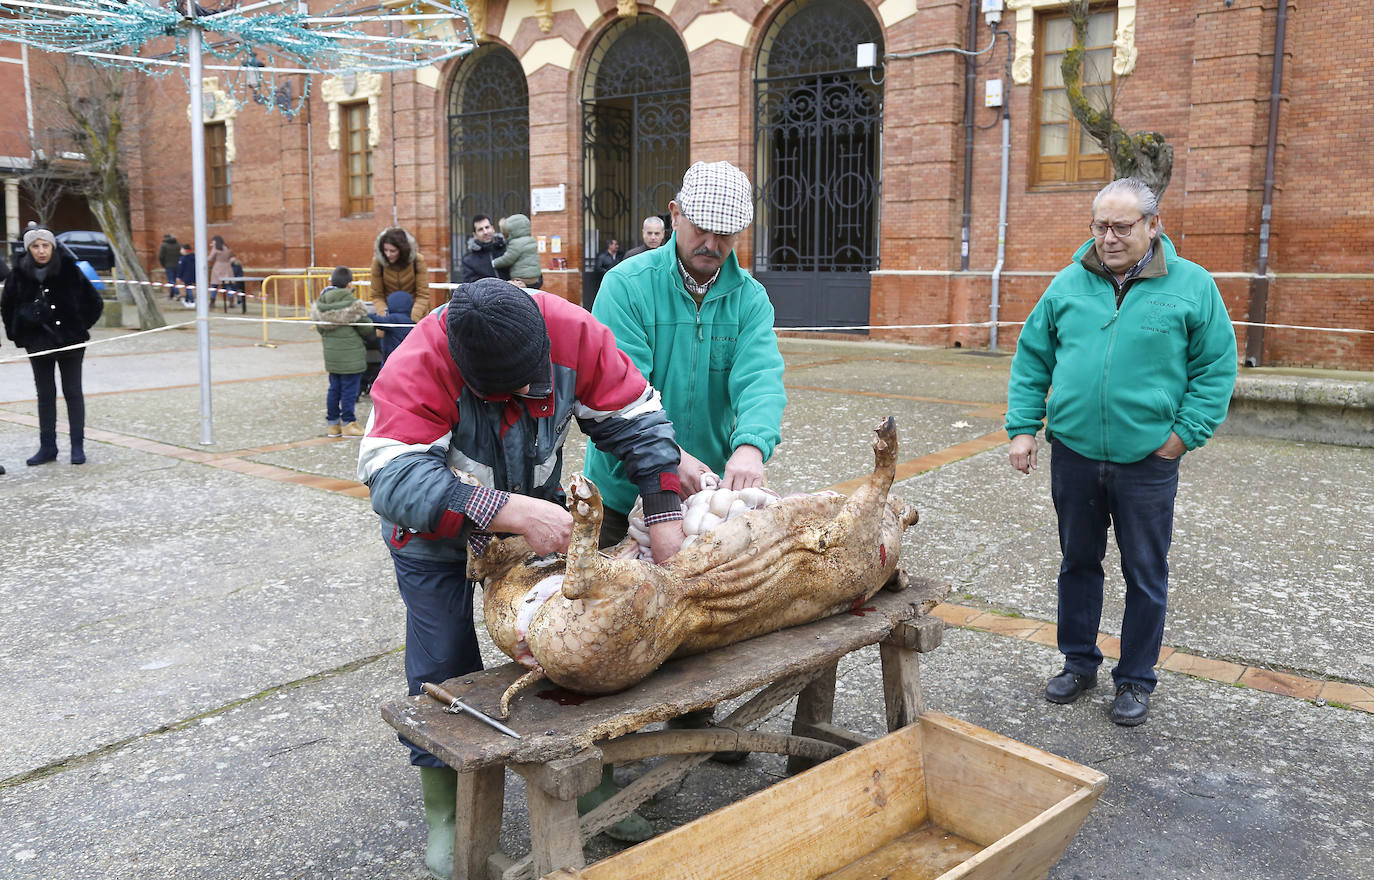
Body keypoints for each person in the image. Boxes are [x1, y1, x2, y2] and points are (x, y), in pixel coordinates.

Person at [357, 278, 686, 878]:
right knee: (444, 665)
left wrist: (664, 518)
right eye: (499, 392)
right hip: (434, 539)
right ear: (462, 366)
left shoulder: (570, 332)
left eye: (528, 386)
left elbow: (637, 418)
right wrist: (507, 510)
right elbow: (391, 478)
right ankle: (450, 812)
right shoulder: (420, 358)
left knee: (575, 644)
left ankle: (590, 783)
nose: (520, 396)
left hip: (530, 523)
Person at [584, 159, 787, 822]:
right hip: (621, 486)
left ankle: (694, 725)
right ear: (674, 213)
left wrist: (752, 445)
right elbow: (624, 388)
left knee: (703, 607)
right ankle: (602, 764)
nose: (713, 246)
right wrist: (679, 457)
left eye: (728, 235)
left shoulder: (748, 297)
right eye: (703, 229)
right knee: (609, 622)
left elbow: (761, 377)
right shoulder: (628, 286)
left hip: (705, 494)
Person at [1005, 176, 1238, 728]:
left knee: (1144, 571)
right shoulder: (1067, 284)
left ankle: (1135, 678)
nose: (1108, 238)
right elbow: (1032, 358)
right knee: (1078, 563)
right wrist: (1022, 428)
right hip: (1076, 454)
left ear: (1153, 227)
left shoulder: (1193, 286)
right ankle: (1078, 662)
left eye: (1122, 227)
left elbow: (1215, 369)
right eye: (1099, 226)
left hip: (1147, 462)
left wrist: (1182, 435)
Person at [0, 227, 105, 465]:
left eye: (45, 245)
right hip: (38, 345)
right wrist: (20, 335)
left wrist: (78, 326)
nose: (41, 251)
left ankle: (77, 447)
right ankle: (48, 447)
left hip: (71, 343)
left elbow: (94, 302)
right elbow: (7, 308)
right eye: (35, 246)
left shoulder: (70, 270)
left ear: (52, 247)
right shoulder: (18, 275)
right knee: (45, 395)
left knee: (73, 393)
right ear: (29, 249)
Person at [312, 266, 376, 438]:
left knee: (334, 388)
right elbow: (366, 328)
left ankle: (333, 425)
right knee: (349, 390)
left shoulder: (321, 305)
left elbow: (321, 329)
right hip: (351, 357)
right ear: (349, 284)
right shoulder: (353, 305)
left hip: (332, 356)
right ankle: (349, 423)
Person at [370, 226, 435, 320]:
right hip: (389, 317)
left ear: (402, 249)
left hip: (416, 315)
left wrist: (411, 320)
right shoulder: (378, 263)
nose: (388, 254)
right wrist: (386, 319)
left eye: (392, 251)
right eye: (385, 250)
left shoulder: (418, 260)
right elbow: (377, 295)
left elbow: (423, 295)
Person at [491, 213, 542, 289]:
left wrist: (494, 263)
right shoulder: (531, 240)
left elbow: (508, 259)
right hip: (535, 278)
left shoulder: (515, 244)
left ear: (512, 231)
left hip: (522, 278)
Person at [458, 213, 508, 283]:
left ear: (493, 229)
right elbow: (471, 286)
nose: (485, 232)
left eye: (487, 227)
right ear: (475, 235)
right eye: (480, 229)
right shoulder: (468, 261)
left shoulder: (507, 249)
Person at [377, 284, 414, 365]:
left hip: (391, 359)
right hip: (405, 359)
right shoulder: (410, 321)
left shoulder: (394, 319)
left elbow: (378, 321)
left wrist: (364, 315)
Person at [207, 234, 233, 307]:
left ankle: (212, 302)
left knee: (214, 285)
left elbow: (210, 258)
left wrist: (203, 257)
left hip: (218, 267)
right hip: (227, 267)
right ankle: (231, 302)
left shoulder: (216, 248)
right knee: (228, 285)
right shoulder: (226, 248)